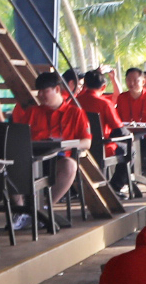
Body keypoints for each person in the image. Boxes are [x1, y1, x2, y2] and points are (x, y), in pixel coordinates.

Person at [8, 71, 87, 211]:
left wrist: (65, 145)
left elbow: (87, 142)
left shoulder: (76, 113)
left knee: (70, 166)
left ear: (57, 89)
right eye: (39, 92)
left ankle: (44, 208)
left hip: (57, 161)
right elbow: (18, 138)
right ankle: (21, 211)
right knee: (9, 164)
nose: (40, 95)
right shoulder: (32, 112)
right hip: (32, 160)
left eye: (45, 91)